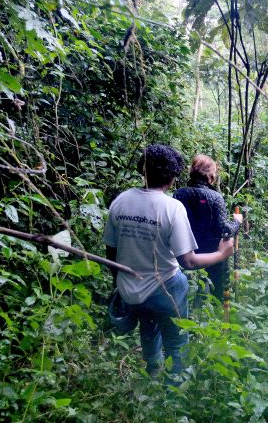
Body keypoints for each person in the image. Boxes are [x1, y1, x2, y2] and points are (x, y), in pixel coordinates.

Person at [103, 145, 234, 382]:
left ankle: (153, 369)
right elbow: (189, 261)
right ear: (173, 176)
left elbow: (111, 252)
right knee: (176, 340)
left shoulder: (120, 201)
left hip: (130, 288)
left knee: (148, 327)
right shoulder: (172, 208)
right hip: (165, 287)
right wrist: (222, 254)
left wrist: (120, 284)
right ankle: (175, 386)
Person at [174, 155, 243, 302]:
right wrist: (237, 222)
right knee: (217, 298)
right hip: (213, 256)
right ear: (211, 177)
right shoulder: (215, 197)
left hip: (184, 254)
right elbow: (225, 230)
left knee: (188, 297)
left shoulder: (179, 194)